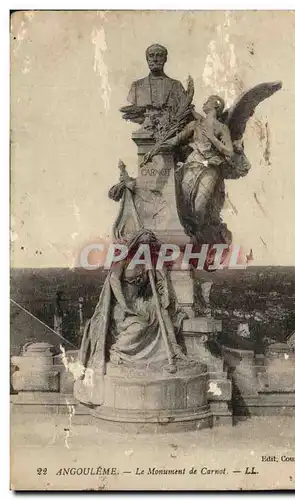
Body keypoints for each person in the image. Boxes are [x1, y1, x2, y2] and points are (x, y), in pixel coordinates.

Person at [74, 230, 186, 406]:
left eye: (149, 246)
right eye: (143, 245)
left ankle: (174, 350)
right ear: (136, 245)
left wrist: (158, 275)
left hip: (141, 303)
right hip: (122, 306)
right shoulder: (123, 261)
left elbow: (159, 285)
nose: (145, 248)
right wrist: (126, 306)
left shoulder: (149, 263)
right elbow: (114, 282)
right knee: (139, 325)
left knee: (162, 314)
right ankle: (118, 352)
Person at [168, 95, 251, 244]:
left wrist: (213, 139)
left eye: (208, 101)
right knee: (185, 205)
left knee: (200, 207)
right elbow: (176, 140)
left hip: (210, 167)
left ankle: (204, 240)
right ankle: (194, 240)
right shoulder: (196, 124)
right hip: (192, 165)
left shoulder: (221, 127)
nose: (204, 103)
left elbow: (229, 151)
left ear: (216, 105)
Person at [121, 44, 187, 126]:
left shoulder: (176, 85)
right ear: (147, 59)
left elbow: (185, 109)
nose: (155, 59)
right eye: (151, 56)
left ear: (165, 59)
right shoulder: (137, 86)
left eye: (159, 55)